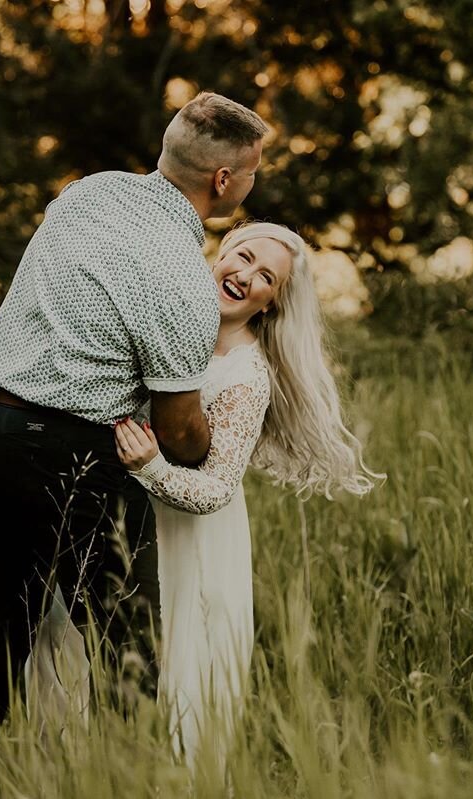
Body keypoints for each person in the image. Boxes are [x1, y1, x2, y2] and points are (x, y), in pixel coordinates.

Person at [0, 91, 268, 729]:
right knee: (128, 648)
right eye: (256, 169)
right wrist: (222, 428)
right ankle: (126, 779)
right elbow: (181, 436)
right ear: (224, 180)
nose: (255, 180)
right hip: (64, 450)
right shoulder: (183, 274)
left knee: (0, 619)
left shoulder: (89, 192)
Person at [112, 222, 381, 770]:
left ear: (271, 302)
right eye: (244, 257)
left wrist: (150, 465)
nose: (246, 276)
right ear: (221, 252)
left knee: (177, 672)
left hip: (194, 538)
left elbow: (213, 489)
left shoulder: (246, 376)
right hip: (125, 522)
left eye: (266, 278)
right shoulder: (171, 325)